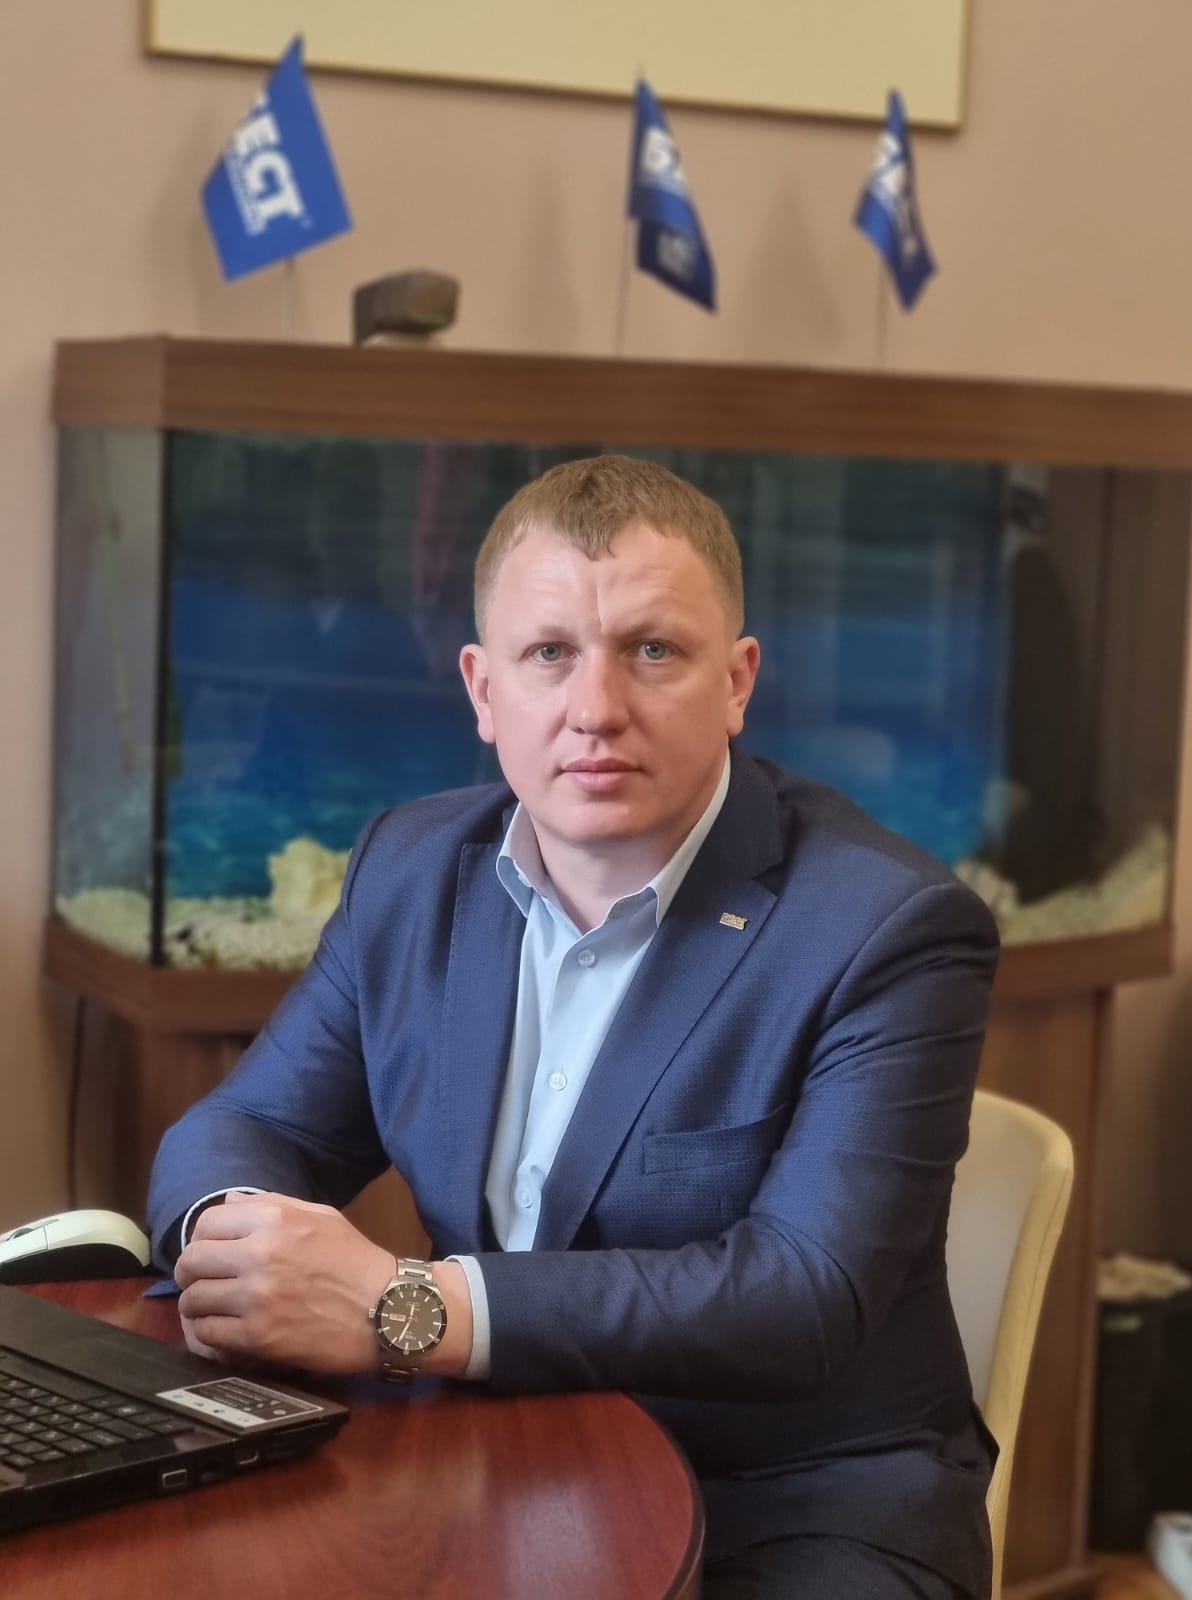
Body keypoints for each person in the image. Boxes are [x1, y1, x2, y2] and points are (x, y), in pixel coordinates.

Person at [148, 455, 1000, 1599]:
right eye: (549, 652)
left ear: (738, 681)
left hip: (790, 1505)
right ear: (482, 687)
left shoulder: (888, 928)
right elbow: (251, 1124)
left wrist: (409, 1308)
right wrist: (239, 1246)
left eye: (653, 650)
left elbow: (800, 1296)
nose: (596, 708)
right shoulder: (412, 870)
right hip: (502, 1456)